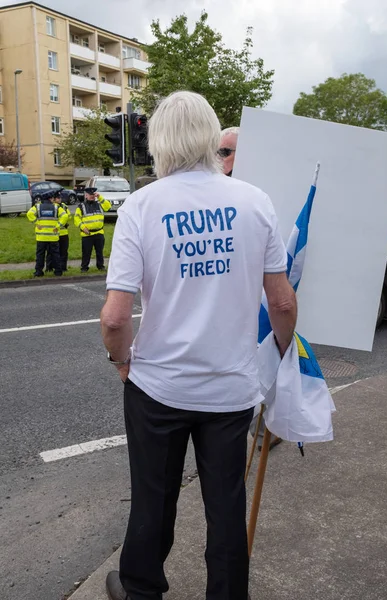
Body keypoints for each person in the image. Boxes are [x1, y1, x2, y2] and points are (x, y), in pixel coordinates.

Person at [101, 91, 297, 600]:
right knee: (226, 506)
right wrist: (276, 357)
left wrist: (122, 362)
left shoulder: (143, 205)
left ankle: (140, 589)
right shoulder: (255, 201)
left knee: (153, 498)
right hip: (230, 389)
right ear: (213, 138)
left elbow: (116, 315)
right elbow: (282, 304)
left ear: (159, 141)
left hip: (158, 387)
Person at [218, 126, 283, 452]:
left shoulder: (262, 198)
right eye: (219, 152)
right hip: (224, 307)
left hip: (258, 300)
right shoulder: (212, 194)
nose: (220, 159)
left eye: (226, 152)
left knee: (264, 357)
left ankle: (264, 428)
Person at [26, 190, 68, 277]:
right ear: (51, 199)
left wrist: (36, 222)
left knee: (40, 255)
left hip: (41, 237)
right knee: (55, 254)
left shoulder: (37, 207)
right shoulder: (56, 207)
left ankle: (39, 271)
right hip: (53, 236)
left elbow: (29, 213)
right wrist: (58, 225)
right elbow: (65, 216)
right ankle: (58, 271)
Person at [74, 187, 112, 272]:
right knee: (86, 252)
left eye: (93, 195)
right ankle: (84, 267)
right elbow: (76, 219)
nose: (92, 196)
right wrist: (83, 228)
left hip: (99, 232)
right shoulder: (81, 206)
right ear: (86, 196)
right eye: (90, 195)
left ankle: (100, 266)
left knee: (99, 252)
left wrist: (100, 197)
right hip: (87, 234)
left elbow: (108, 207)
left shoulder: (99, 204)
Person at [46, 192, 71, 273]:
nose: (59, 199)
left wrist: (63, 221)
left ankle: (63, 267)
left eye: (60, 198)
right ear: (54, 199)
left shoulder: (64, 206)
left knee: (64, 251)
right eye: (57, 198)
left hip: (63, 233)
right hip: (53, 233)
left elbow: (69, 216)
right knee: (51, 252)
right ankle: (49, 267)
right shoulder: (52, 207)